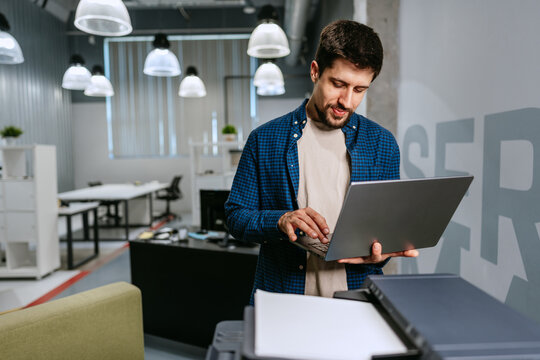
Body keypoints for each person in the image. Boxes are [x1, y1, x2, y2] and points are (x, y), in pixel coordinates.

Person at [225, 20, 418, 304]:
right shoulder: (264, 139)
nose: (347, 101)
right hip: (283, 299)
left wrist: (381, 251)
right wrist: (280, 221)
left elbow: (384, 231)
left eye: (359, 89)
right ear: (315, 71)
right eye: (338, 84)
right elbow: (235, 216)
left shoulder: (382, 143)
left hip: (357, 300)